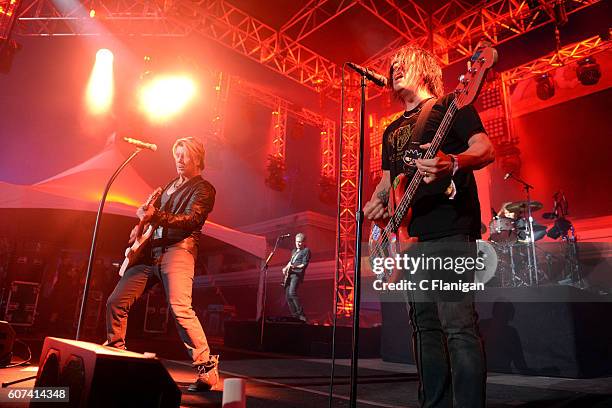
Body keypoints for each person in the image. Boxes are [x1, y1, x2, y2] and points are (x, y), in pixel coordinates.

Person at [363, 45, 495, 407]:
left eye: (401, 64)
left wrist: (452, 161)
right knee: (423, 328)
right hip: (410, 240)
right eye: (391, 67)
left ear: (423, 69)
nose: (394, 70)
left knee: (458, 327)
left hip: (451, 229)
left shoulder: (452, 107)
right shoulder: (390, 132)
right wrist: (376, 205)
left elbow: (485, 149)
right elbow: (388, 184)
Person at [104, 137, 219, 392]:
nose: (178, 159)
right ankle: (116, 354)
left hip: (179, 251)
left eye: (184, 154)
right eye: (176, 154)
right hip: (149, 253)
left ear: (197, 157)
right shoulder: (168, 185)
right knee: (116, 302)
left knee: (180, 309)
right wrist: (140, 226)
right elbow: (152, 217)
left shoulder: (204, 189)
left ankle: (206, 370)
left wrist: (157, 216)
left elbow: (191, 220)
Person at [283, 233, 310, 323]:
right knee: (287, 296)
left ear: (304, 242)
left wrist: (295, 267)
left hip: (297, 274)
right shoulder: (294, 251)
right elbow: (290, 262)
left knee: (292, 292)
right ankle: (295, 316)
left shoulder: (306, 251)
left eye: (300, 242)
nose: (298, 244)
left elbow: (304, 264)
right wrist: (285, 268)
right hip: (289, 274)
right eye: (297, 242)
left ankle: (301, 314)